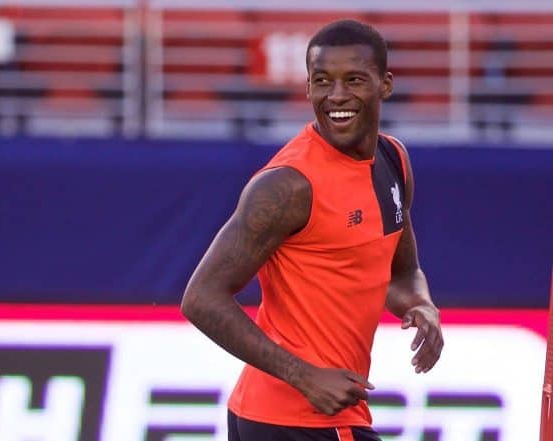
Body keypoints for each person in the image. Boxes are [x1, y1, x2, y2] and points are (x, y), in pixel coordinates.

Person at [181, 19, 444, 441]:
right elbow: (200, 297)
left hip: (323, 415)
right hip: (292, 420)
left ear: (385, 84)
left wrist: (421, 304)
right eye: (322, 81)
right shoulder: (288, 185)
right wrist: (302, 376)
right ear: (307, 89)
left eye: (354, 80)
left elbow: (401, 272)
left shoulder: (393, 160)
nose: (336, 96)